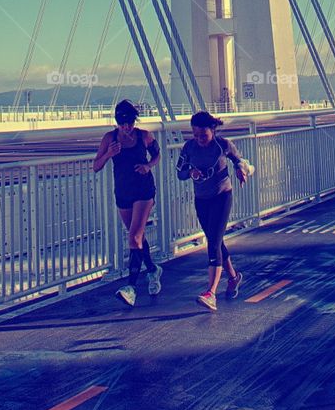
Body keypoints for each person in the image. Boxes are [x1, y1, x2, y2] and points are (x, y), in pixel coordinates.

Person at [177, 110, 251, 311]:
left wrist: (239, 170)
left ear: (213, 131)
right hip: (201, 200)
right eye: (196, 135)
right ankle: (234, 278)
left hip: (222, 196)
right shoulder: (189, 147)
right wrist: (190, 172)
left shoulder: (223, 144)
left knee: (213, 244)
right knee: (215, 241)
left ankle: (211, 292)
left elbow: (238, 160)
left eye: (204, 135)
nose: (200, 139)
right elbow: (179, 172)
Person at [93, 99, 163, 306]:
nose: (127, 127)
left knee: (134, 236)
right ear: (117, 122)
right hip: (123, 192)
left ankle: (131, 288)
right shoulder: (110, 138)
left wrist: (148, 165)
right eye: (123, 124)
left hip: (143, 190)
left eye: (131, 123)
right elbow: (96, 166)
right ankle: (152, 270)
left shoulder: (144, 136)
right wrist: (109, 153)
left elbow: (157, 154)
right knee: (136, 237)